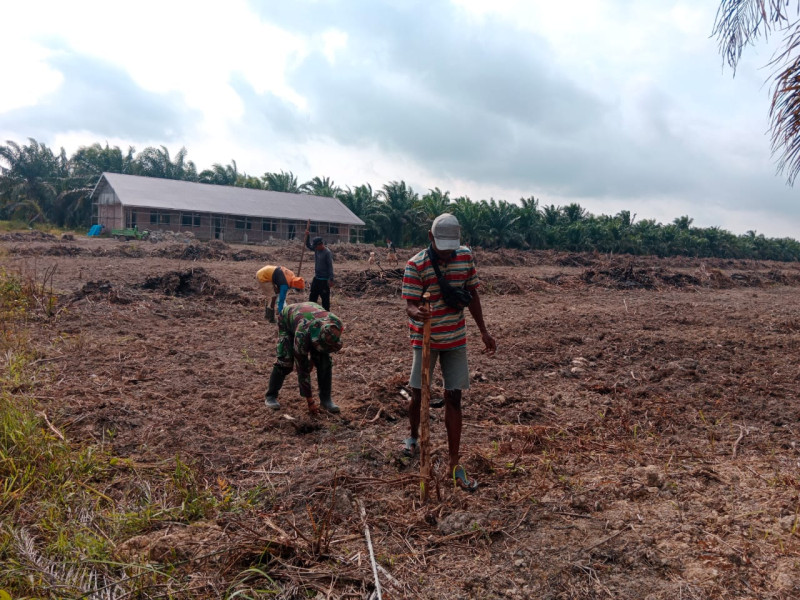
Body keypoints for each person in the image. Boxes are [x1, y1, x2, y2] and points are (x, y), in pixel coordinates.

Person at [401, 213, 496, 492]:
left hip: (455, 339)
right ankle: (413, 437)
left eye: (450, 249)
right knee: (419, 394)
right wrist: (417, 311)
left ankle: (455, 463)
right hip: (425, 341)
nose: (446, 254)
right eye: (442, 248)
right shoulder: (415, 265)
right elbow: (409, 304)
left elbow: (473, 295)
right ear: (430, 238)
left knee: (454, 398)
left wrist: (483, 331)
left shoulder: (464, 258)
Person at [264, 302, 343, 414]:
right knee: (285, 361)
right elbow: (302, 369)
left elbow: (325, 346)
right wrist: (310, 401)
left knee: (324, 362)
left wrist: (314, 360)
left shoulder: (336, 324)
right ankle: (271, 396)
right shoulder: (302, 334)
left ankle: (326, 400)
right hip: (288, 319)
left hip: (309, 314)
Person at [305, 231, 334, 310]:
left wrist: (331, 279)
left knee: (325, 301)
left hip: (324, 281)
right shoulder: (316, 249)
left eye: (316, 246)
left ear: (321, 244)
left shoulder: (327, 253)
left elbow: (330, 266)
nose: (315, 248)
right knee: (312, 298)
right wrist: (308, 236)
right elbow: (308, 245)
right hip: (317, 278)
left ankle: (326, 316)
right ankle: (311, 313)